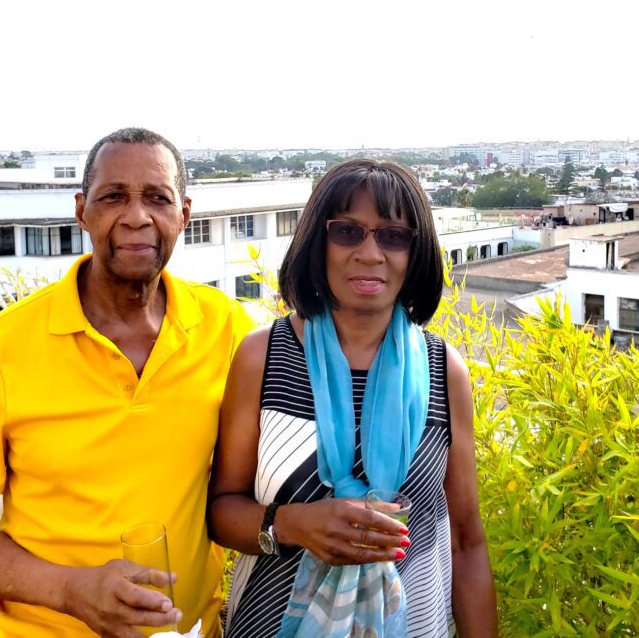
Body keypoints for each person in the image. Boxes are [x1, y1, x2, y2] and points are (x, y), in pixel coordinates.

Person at [0, 128, 255, 637]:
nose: (136, 217)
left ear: (183, 214)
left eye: (157, 198)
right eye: (113, 197)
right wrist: (71, 590)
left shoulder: (226, 328)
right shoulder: (3, 346)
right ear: (82, 210)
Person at [208, 159, 497, 637]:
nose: (369, 253)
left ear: (415, 252)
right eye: (347, 232)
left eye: (392, 236)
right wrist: (293, 525)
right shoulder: (264, 356)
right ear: (317, 245)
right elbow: (221, 509)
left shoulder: (446, 372)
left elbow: (467, 543)